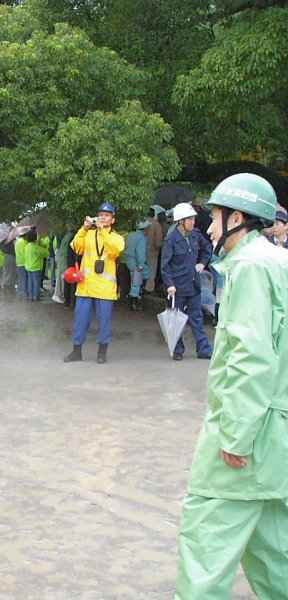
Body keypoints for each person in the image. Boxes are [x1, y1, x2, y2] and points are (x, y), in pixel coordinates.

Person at [175, 173, 288, 598]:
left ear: (238, 218)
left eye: (215, 217)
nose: (208, 228)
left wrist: (236, 435)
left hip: (248, 433)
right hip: (275, 434)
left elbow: (250, 356)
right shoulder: (277, 261)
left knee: (205, 542)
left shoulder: (250, 267)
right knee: (272, 551)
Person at [63, 203, 125, 364]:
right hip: (86, 285)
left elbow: (115, 250)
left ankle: (102, 352)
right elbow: (76, 247)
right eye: (101, 215)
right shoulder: (89, 234)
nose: (103, 217)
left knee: (104, 322)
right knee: (80, 320)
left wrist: (103, 231)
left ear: (113, 220)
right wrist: (83, 229)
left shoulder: (116, 237)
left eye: (107, 215)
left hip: (105, 288)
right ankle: (76, 351)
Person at [160, 202, 213, 361]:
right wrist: (169, 284)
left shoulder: (196, 234)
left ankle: (204, 350)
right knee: (177, 320)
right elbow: (165, 265)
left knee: (197, 319)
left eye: (193, 219)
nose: (193, 222)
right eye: (189, 219)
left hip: (193, 285)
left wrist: (202, 263)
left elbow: (207, 248)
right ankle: (177, 350)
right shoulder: (171, 239)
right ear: (181, 221)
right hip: (178, 287)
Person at [124, 220, 150, 311]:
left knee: (134, 281)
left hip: (129, 261)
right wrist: (141, 265)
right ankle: (134, 301)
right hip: (136, 262)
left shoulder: (130, 235)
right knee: (137, 282)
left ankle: (132, 299)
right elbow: (141, 253)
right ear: (145, 228)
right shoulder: (141, 238)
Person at [23, 231, 49, 301]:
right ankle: (36, 296)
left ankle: (31, 296)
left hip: (28, 266)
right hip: (36, 267)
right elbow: (46, 253)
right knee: (36, 282)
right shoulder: (36, 247)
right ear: (35, 238)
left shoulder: (26, 247)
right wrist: (41, 245)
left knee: (30, 282)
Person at [143, 206, 164, 294]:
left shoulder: (142, 223)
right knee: (151, 270)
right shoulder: (156, 224)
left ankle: (138, 288)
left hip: (140, 249)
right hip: (152, 250)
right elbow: (158, 241)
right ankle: (149, 288)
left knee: (139, 269)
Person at [14, 231, 30, 301]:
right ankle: (24, 294)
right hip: (24, 262)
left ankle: (20, 294)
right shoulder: (24, 242)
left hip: (19, 262)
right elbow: (26, 252)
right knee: (24, 279)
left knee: (20, 279)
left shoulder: (18, 241)